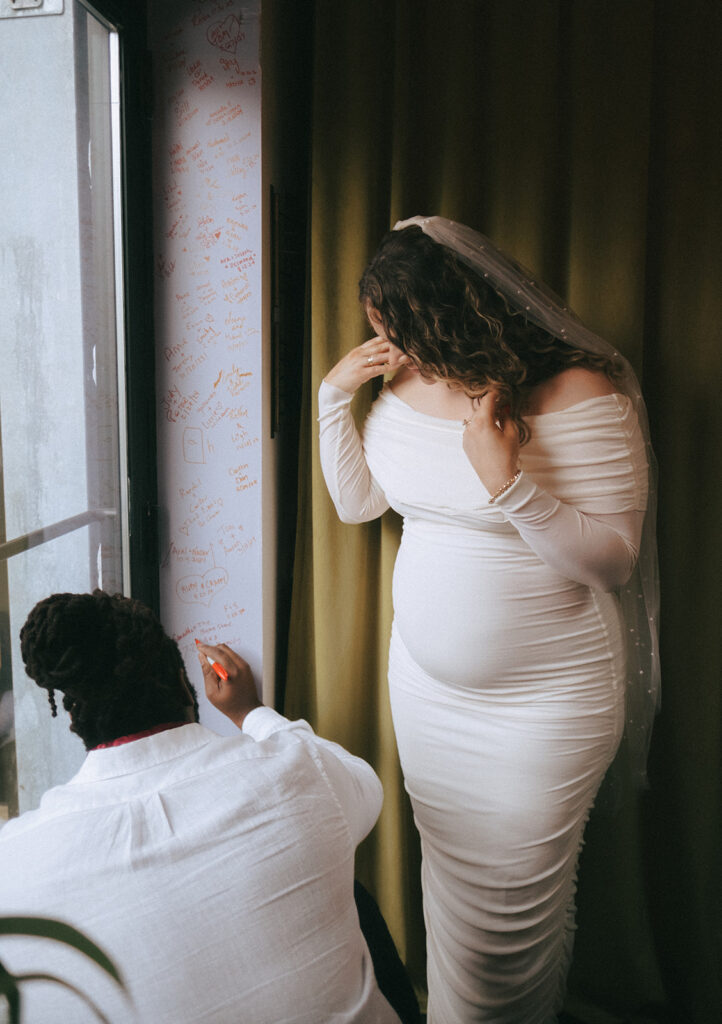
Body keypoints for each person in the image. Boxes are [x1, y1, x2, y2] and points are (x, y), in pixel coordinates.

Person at [318, 216, 659, 1023]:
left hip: (548, 706)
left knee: (516, 916)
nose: (383, 338)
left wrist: (510, 485)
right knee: (454, 891)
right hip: (429, 695)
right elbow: (359, 500)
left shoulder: (584, 394)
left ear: (449, 312)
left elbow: (614, 560)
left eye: (390, 321)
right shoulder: (396, 388)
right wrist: (335, 395)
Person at [0, 590, 413, 1024]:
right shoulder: (295, 771)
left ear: (71, 713)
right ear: (183, 679)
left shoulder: (12, 862)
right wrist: (251, 711)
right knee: (347, 885)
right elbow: (364, 785)